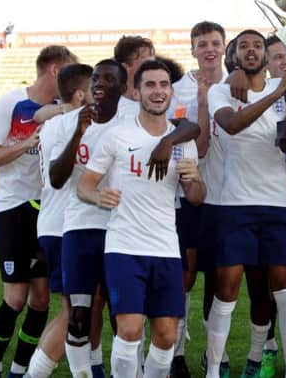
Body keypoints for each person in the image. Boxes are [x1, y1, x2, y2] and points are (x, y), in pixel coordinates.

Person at [77, 60, 205, 378]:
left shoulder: (181, 141)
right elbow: (84, 185)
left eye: (163, 85)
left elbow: (197, 196)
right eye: (150, 85)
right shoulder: (117, 136)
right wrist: (97, 196)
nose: (157, 91)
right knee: (130, 329)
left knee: (166, 336)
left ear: (171, 91)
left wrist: (193, 178)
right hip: (124, 246)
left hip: (165, 247)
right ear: (137, 91)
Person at [205, 29, 286, 378]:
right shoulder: (223, 90)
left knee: (285, 291)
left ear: (265, 54)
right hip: (235, 204)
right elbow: (231, 125)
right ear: (234, 56)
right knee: (226, 290)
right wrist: (277, 92)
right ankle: (214, 369)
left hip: (277, 203)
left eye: (257, 45)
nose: (250, 50)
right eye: (243, 45)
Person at [0, 45, 78, 378]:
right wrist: (24, 145)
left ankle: (20, 370)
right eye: (68, 72)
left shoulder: (62, 109)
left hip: (46, 213)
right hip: (13, 208)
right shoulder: (11, 103)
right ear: (55, 70)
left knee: (41, 300)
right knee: (15, 297)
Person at [46, 59, 130, 378]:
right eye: (96, 77)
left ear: (122, 88)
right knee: (78, 317)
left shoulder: (131, 121)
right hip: (79, 227)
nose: (99, 83)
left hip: (119, 228)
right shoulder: (72, 122)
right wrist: (78, 134)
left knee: (121, 315)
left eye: (109, 79)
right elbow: (56, 178)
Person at [25, 64, 96, 378]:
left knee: (79, 308)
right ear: (81, 94)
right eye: (96, 88)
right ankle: (34, 374)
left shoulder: (55, 121)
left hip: (56, 222)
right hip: (64, 225)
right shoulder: (71, 124)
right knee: (73, 311)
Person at [165, 21, 227, 378]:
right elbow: (193, 144)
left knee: (219, 278)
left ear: (223, 46)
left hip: (229, 196)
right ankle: (176, 353)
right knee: (185, 278)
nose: (209, 49)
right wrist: (201, 101)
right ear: (192, 49)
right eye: (202, 43)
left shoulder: (237, 83)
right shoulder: (175, 90)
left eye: (215, 43)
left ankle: (213, 355)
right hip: (188, 194)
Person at [113, 35, 156, 115]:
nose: (154, 68)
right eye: (146, 64)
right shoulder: (112, 109)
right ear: (125, 67)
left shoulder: (162, 103)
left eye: (154, 62)